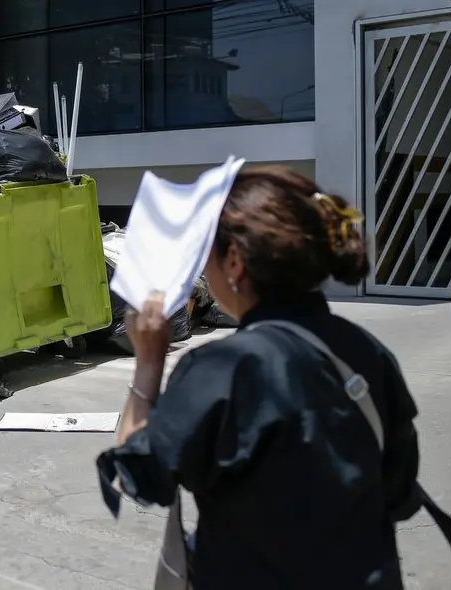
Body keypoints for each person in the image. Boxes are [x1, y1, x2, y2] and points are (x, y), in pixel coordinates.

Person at [96, 165, 423, 589]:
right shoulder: (368, 353)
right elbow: (399, 493)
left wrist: (148, 364)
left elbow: (137, 477)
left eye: (207, 252)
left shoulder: (221, 370)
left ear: (234, 261)